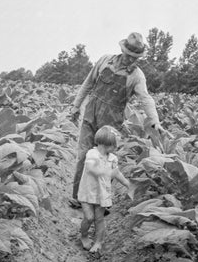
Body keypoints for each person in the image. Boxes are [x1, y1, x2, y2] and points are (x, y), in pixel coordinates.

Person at [69, 32, 167, 208]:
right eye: (129, 55)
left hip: (111, 123)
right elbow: (88, 83)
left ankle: (101, 201)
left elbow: (146, 99)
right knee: (84, 155)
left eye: (135, 57)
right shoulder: (105, 60)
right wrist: (76, 106)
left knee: (104, 160)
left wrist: (155, 121)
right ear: (123, 50)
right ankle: (77, 197)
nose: (131, 60)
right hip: (91, 115)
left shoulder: (137, 76)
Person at [78, 125, 130, 253]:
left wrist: (128, 184)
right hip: (87, 192)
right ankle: (84, 236)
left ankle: (98, 242)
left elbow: (117, 173)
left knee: (99, 219)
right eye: (114, 146)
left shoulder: (112, 158)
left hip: (102, 194)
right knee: (89, 217)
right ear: (107, 144)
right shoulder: (92, 154)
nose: (116, 149)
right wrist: (106, 172)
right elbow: (91, 168)